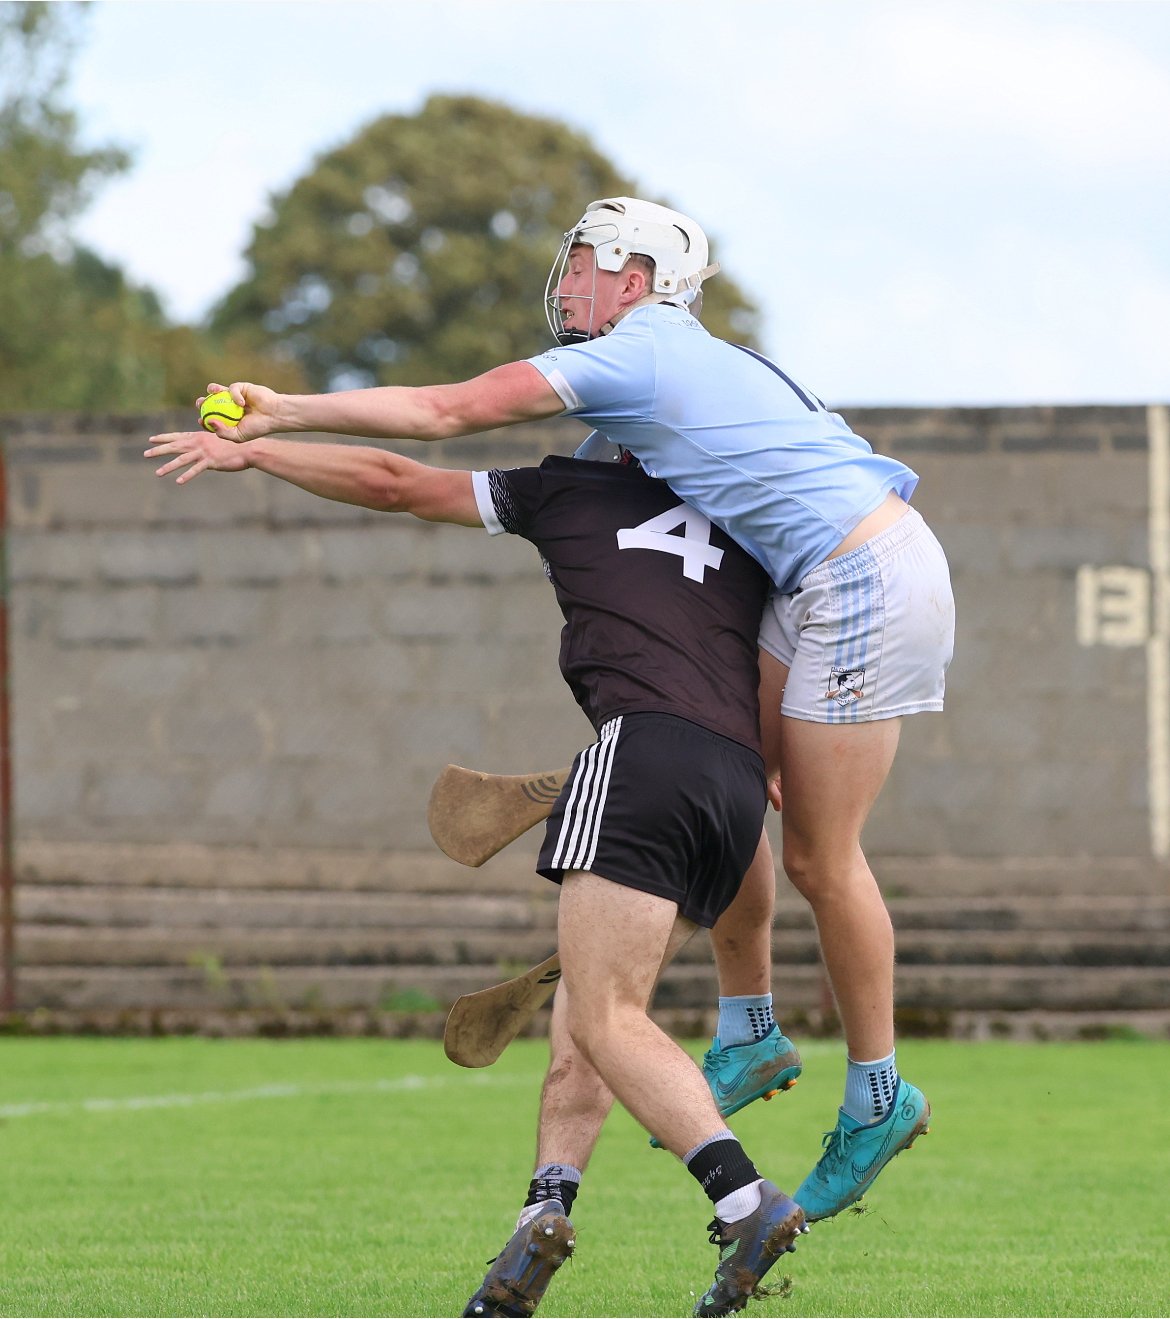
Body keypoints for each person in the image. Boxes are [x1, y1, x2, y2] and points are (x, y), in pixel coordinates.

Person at [169, 194, 955, 1220]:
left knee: (820, 855)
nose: (569, 279)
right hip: (816, 575)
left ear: (638, 278)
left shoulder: (637, 353)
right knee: (737, 766)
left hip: (858, 576)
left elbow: (444, 413)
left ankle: (877, 1097)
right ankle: (751, 1028)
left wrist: (283, 412)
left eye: (585, 260)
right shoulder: (693, 364)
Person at [144, 428, 809, 1317]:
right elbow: (779, 669)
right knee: (589, 1024)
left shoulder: (568, 489)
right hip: (735, 788)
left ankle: (743, 1198)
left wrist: (263, 449)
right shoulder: (748, 526)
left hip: (640, 755)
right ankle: (543, 1215)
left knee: (606, 1019)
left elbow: (393, 478)